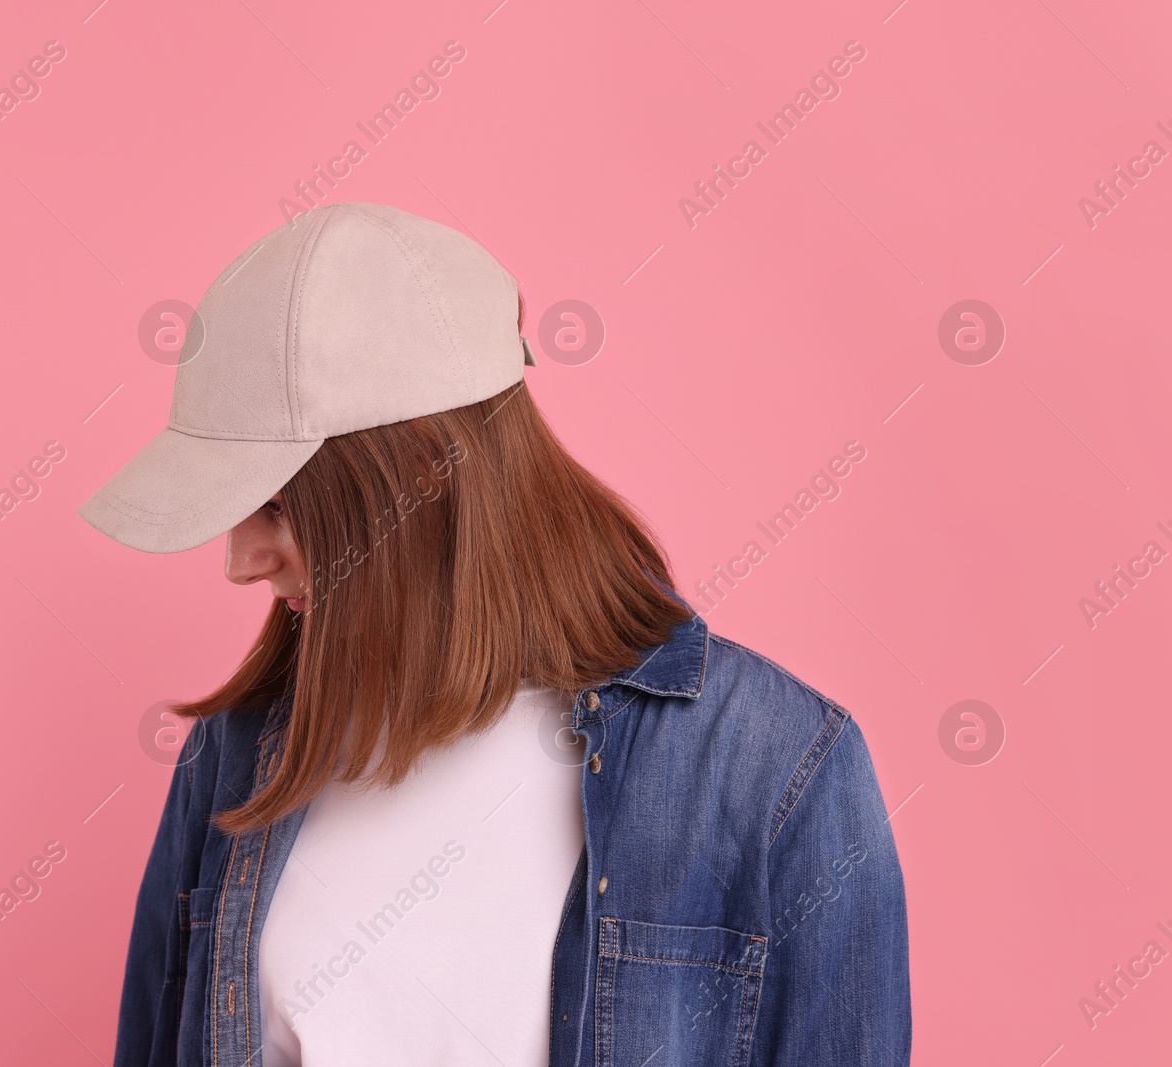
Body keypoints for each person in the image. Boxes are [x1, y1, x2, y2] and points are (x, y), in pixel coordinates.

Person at [80, 202, 910, 1067]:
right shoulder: (235, 753)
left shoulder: (773, 768)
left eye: (279, 505)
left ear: (421, 485)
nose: (240, 562)